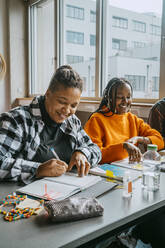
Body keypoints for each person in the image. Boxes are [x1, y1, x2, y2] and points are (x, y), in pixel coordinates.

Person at [0, 65, 101, 184]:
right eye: (62, 102)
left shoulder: (72, 121)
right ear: (48, 94)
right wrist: (37, 169)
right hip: (28, 197)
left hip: (67, 191)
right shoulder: (17, 120)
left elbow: (95, 150)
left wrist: (82, 153)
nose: (67, 111)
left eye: (73, 106)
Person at [84, 77, 164, 164]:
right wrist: (124, 146)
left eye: (128, 97)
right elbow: (93, 154)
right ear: (109, 98)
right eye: (120, 97)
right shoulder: (96, 120)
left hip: (129, 169)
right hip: (105, 171)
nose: (125, 101)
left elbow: (159, 140)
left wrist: (138, 139)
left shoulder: (133, 119)